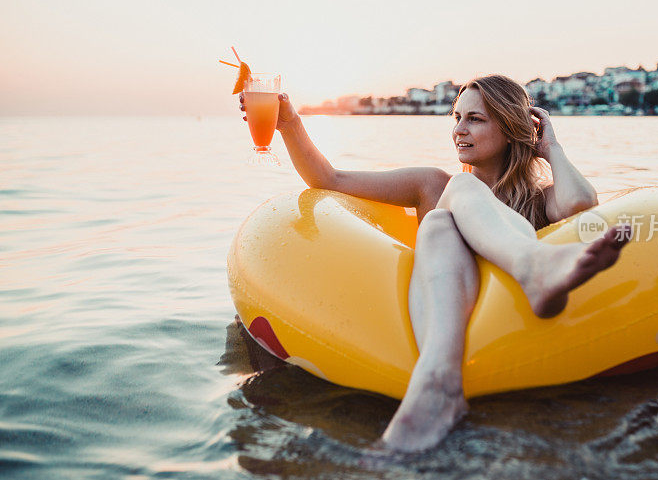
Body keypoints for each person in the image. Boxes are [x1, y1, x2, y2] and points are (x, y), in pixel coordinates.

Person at [239, 75, 631, 452]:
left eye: (475, 119)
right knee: (451, 202)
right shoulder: (432, 185)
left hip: (507, 339)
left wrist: (552, 148)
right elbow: (329, 178)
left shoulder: (539, 198)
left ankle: (449, 376)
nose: (459, 129)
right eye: (456, 117)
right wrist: (289, 124)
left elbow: (581, 204)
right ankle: (533, 270)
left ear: (512, 129)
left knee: (448, 209)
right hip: (433, 307)